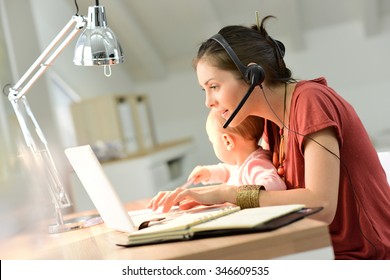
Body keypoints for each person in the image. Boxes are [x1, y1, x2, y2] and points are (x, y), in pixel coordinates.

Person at [147, 15, 390, 259]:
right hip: (318, 246)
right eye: (205, 90)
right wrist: (212, 197)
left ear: (253, 75)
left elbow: (322, 206)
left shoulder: (310, 102)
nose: (209, 102)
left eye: (214, 86)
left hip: (365, 253)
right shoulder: (272, 124)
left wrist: (224, 193)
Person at [188, 109, 286, 190]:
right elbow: (228, 171)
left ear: (228, 142)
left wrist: (238, 194)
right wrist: (209, 172)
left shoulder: (255, 165)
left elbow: (276, 185)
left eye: (212, 141)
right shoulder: (243, 163)